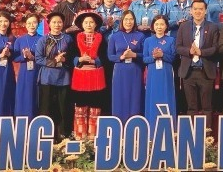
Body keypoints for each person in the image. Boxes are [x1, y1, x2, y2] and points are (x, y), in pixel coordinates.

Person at [176, 0, 220, 121]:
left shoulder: (213, 27)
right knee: (191, 106)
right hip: (188, 71)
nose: (198, 11)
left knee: (207, 106)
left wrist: (201, 52)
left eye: (201, 9)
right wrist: (189, 51)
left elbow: (216, 48)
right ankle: (191, 131)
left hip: (205, 71)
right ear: (191, 11)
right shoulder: (184, 26)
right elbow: (178, 47)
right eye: (195, 9)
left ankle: (207, 132)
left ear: (205, 11)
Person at [36, 12, 73, 141]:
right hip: (47, 78)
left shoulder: (68, 39)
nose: (57, 25)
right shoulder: (43, 40)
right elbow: (38, 59)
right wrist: (54, 61)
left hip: (63, 78)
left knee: (63, 109)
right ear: (49, 24)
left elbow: (72, 57)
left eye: (59, 22)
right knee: (46, 108)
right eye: (54, 22)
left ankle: (63, 136)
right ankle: (46, 137)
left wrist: (64, 59)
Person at [72, 11, 106, 139]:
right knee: (80, 106)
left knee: (95, 106)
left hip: (96, 77)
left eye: (91, 22)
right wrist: (79, 59)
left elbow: (105, 56)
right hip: (80, 77)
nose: (88, 24)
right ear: (82, 24)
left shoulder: (102, 39)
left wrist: (95, 61)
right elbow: (70, 55)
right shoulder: (75, 38)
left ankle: (93, 136)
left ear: (96, 24)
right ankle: (80, 135)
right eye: (86, 22)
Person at [108, 10, 145, 123]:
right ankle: (119, 123)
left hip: (135, 70)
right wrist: (121, 57)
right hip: (120, 70)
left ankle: (134, 123)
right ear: (122, 21)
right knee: (120, 96)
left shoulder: (140, 36)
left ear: (134, 21)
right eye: (126, 19)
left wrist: (134, 55)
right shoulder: (114, 36)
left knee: (135, 96)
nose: (128, 22)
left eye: (131, 19)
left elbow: (145, 55)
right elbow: (110, 56)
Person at [145, 15, 177, 127]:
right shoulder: (148, 40)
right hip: (152, 73)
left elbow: (173, 58)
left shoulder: (171, 40)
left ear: (166, 26)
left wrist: (162, 55)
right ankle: (151, 126)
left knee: (166, 96)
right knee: (153, 97)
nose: (159, 27)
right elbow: (144, 59)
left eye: (162, 24)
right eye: (157, 24)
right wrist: (154, 57)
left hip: (166, 72)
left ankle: (169, 126)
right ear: (153, 26)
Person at [13, 14, 43, 118]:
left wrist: (33, 57)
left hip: (37, 72)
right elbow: (15, 58)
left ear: (38, 24)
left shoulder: (42, 39)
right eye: (29, 23)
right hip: (24, 73)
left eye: (34, 22)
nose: (31, 25)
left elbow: (45, 58)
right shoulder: (19, 40)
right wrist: (24, 56)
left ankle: (35, 120)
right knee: (23, 95)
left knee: (35, 95)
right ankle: (21, 120)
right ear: (25, 25)